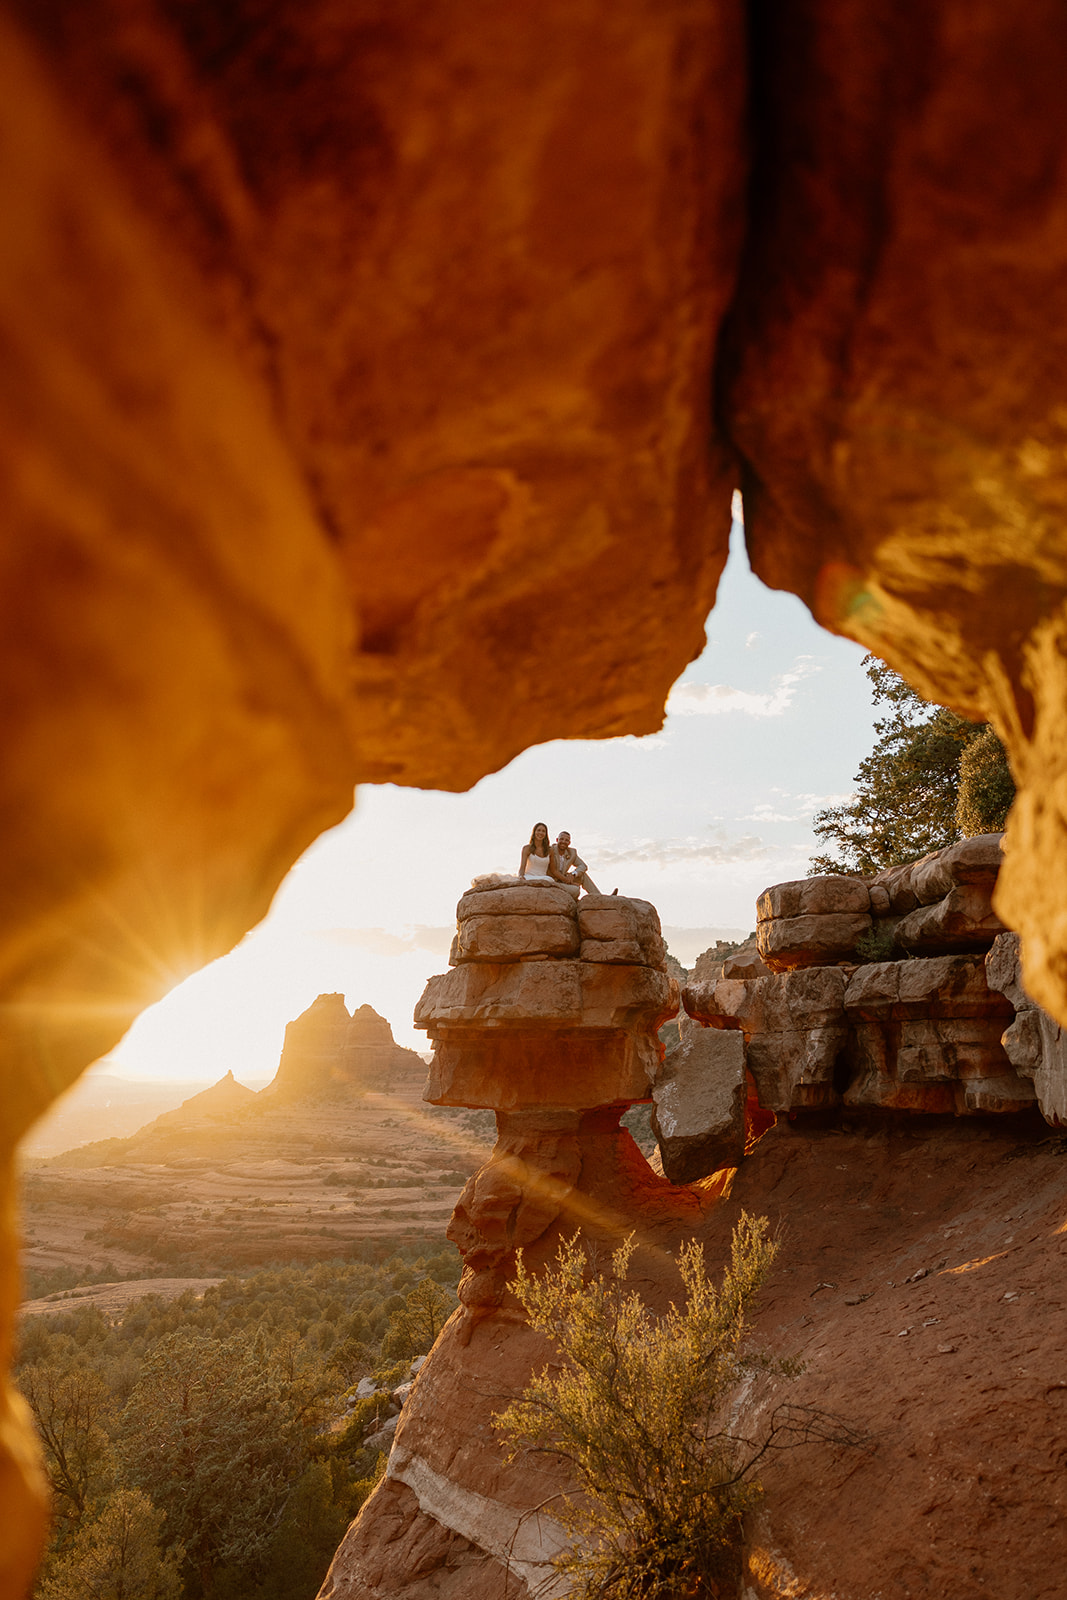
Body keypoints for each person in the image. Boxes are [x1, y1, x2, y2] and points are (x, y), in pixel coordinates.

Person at [551, 830, 610, 896]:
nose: (564, 842)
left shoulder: (571, 853)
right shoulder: (551, 850)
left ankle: (599, 897)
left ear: (569, 843)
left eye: (566, 840)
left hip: (564, 880)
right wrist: (566, 880)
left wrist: (573, 874)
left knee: (583, 875)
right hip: (552, 880)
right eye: (561, 839)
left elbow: (583, 866)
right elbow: (553, 871)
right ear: (557, 840)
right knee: (575, 889)